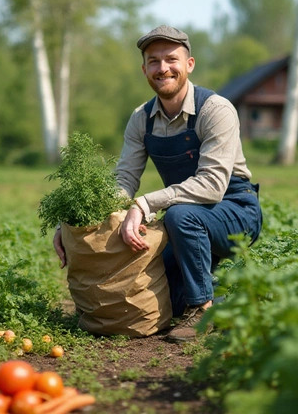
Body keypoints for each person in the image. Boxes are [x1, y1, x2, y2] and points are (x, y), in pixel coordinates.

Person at [54, 25, 263, 343]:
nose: (162, 68)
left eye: (171, 59)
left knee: (180, 215)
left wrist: (144, 204)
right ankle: (230, 303)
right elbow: (124, 179)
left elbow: (212, 185)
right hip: (188, 220)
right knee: (156, 286)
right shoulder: (142, 118)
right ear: (144, 70)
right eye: (153, 61)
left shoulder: (215, 110)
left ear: (189, 64)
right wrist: (79, 218)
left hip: (235, 212)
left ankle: (202, 309)